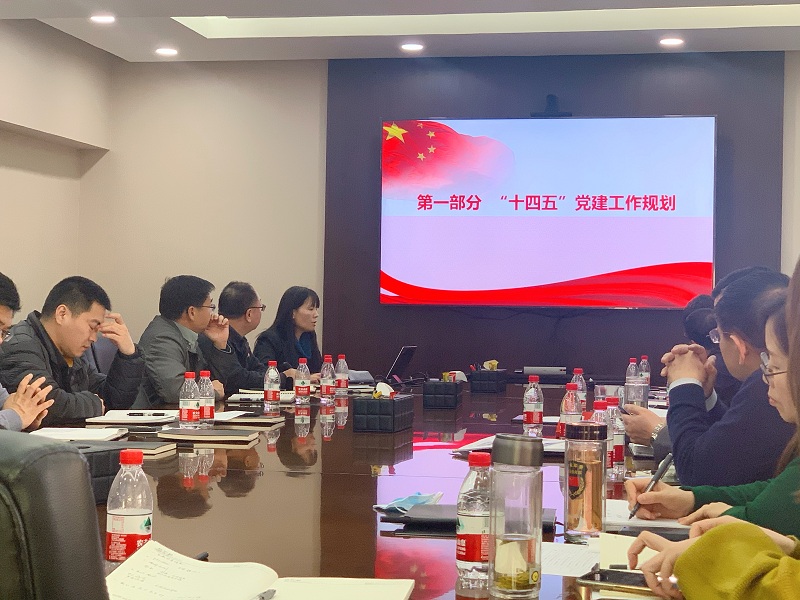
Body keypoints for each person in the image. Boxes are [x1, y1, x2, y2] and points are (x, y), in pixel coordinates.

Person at [626, 264, 800, 598]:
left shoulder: (762, 391)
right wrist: (693, 500)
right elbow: (776, 491)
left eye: (774, 366)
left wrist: (702, 554)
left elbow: (754, 507)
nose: (766, 378)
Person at [658, 269, 793, 486]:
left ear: (739, 345)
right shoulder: (762, 385)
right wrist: (705, 396)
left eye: (718, 335)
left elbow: (699, 473)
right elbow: (733, 449)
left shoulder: (768, 384)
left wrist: (684, 384)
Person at [0, 276, 143, 424]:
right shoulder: (19, 345)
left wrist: (128, 354)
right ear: (62, 314)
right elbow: (49, 405)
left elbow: (111, 400)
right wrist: (94, 403)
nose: (94, 338)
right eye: (92, 327)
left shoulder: (69, 354)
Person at [623, 293, 740, 464]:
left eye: (719, 334)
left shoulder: (746, 380)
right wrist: (706, 396)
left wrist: (657, 431)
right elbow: (728, 437)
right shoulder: (750, 382)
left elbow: (706, 461)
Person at [134, 275, 241, 408]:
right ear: (192, 312)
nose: (213, 314)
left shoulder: (190, 335)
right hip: (157, 417)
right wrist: (212, 392)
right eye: (210, 307)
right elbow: (176, 392)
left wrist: (220, 344)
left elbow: (216, 382)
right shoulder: (161, 340)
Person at [198, 281, 283, 395]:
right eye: (261, 307)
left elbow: (257, 368)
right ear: (249, 314)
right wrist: (282, 378)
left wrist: (279, 375)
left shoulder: (240, 339)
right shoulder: (215, 338)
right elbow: (237, 378)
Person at [0, 272, 54, 430]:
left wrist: (28, 414)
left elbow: (8, 405)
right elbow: (12, 415)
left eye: (3, 332)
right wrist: (16, 417)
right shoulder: (23, 344)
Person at [254, 286, 322, 385]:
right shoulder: (269, 339)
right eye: (311, 309)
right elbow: (263, 375)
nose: (316, 314)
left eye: (316, 309)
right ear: (293, 313)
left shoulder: (309, 337)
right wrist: (303, 378)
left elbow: (317, 370)